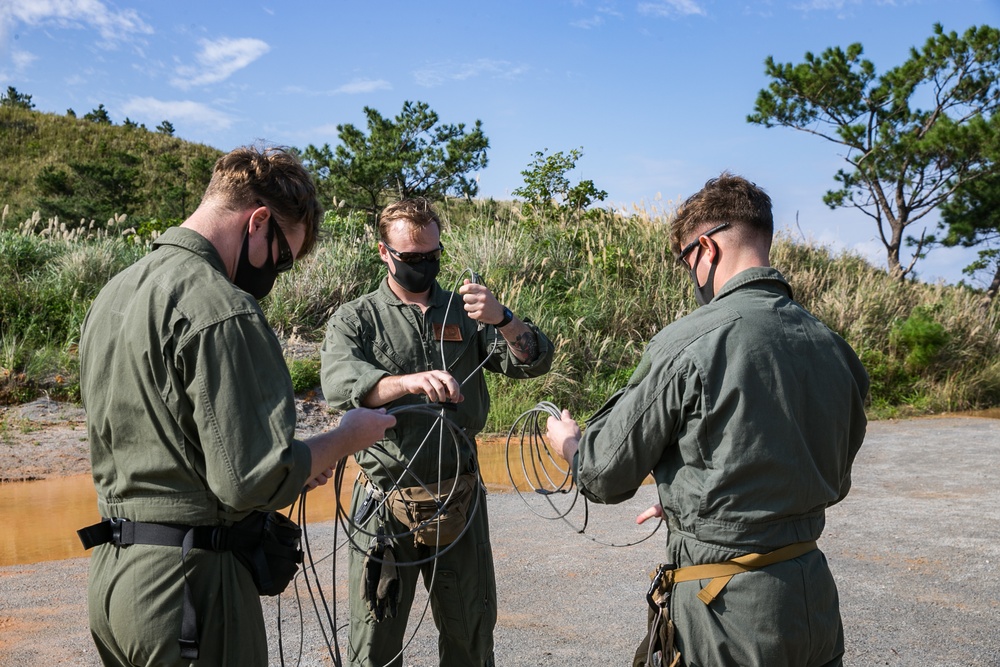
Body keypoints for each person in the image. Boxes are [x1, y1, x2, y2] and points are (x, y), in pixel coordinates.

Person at [78, 145, 396, 667]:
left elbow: (180, 444)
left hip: (115, 583)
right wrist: (345, 438)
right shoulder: (222, 307)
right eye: (284, 256)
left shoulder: (114, 294)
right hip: (190, 590)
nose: (278, 272)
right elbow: (253, 480)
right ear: (259, 221)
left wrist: (299, 461)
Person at [545, 173, 869, 667]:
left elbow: (603, 475)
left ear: (706, 249)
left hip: (726, 614)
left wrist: (568, 443)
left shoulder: (691, 341)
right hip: (813, 602)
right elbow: (818, 470)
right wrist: (693, 498)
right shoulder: (833, 347)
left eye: (685, 260)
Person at [320, 197, 554, 667]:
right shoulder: (357, 318)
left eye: (432, 255)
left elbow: (535, 360)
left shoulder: (468, 311)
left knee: (470, 629)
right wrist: (404, 382)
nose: (423, 266)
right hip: (386, 502)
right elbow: (339, 384)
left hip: (459, 498)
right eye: (411, 258)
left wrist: (503, 320)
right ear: (384, 252)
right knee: (375, 637)